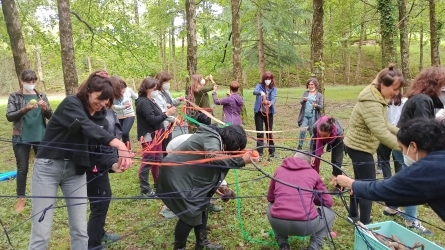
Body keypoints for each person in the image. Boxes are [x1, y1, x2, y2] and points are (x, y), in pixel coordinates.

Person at [29, 70, 132, 250]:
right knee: (42, 231)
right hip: (48, 168)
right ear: (88, 91)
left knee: (80, 230)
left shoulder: (101, 118)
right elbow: (86, 127)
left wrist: (113, 164)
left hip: (75, 171)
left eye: (106, 100)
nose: (102, 104)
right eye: (99, 98)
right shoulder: (71, 104)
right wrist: (120, 145)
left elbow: (97, 150)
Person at [156, 124, 259, 250]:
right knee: (190, 213)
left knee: (203, 205)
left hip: (189, 174)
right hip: (175, 174)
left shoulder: (216, 139)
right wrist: (241, 161)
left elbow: (211, 168)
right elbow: (214, 159)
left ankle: (202, 242)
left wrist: (215, 187)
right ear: (231, 143)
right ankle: (179, 248)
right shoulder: (212, 138)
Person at [335, 117, 445, 223]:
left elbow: (384, 190)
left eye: (402, 148)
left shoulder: (430, 168)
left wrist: (351, 183)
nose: (402, 153)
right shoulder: (438, 160)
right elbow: (412, 195)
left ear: (413, 146)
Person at [343, 64, 404, 225]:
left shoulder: (376, 95)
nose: (396, 93)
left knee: (359, 182)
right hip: (360, 147)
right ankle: (365, 226)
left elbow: (385, 124)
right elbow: (381, 132)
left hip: (356, 145)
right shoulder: (372, 102)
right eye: (395, 89)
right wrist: (407, 149)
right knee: (368, 188)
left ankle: (353, 214)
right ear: (384, 85)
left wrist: (403, 134)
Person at [388, 67, 445, 235]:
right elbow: (425, 131)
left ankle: (391, 207)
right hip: (409, 148)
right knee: (414, 181)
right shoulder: (423, 100)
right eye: (442, 85)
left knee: (403, 177)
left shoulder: (422, 98)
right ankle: (411, 220)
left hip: (405, 145)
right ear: (435, 84)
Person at [267, 152, 335, 250]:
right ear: (311, 161)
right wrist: (312, 198)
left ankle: (283, 244)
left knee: (270, 206)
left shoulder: (279, 170)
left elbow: (270, 198)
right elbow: (328, 202)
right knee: (330, 212)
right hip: (307, 225)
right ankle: (313, 247)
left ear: (293, 158)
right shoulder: (313, 173)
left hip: (278, 223)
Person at [86, 76, 125, 249]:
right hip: (92, 165)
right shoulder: (93, 114)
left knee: (103, 199)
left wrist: (113, 163)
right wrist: (111, 161)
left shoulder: (106, 112)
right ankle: (93, 244)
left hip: (102, 163)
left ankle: (99, 234)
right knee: (99, 203)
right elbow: (97, 147)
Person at [6, 69, 53, 213]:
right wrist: (25, 109)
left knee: (43, 167)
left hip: (40, 136)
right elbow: (10, 116)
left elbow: (51, 116)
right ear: (22, 81)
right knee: (23, 168)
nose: (31, 84)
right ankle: (21, 199)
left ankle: (43, 197)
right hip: (21, 136)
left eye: (33, 82)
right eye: (28, 82)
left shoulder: (41, 95)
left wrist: (45, 109)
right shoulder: (14, 96)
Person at [136, 77, 176, 196]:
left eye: (157, 89)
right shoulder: (143, 102)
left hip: (157, 135)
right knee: (148, 161)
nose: (156, 91)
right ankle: (145, 189)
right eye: (154, 89)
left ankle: (158, 183)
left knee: (157, 160)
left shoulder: (151, 100)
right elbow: (152, 120)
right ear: (147, 88)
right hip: (148, 137)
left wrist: (168, 116)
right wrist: (166, 114)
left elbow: (158, 115)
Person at [154, 71, 184, 157]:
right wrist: (174, 119)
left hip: (170, 121)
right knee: (163, 143)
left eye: (168, 82)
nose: (168, 84)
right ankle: (163, 161)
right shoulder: (156, 94)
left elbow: (172, 102)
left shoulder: (166, 91)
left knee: (168, 141)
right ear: (160, 82)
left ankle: (167, 158)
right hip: (164, 121)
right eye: (166, 82)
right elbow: (161, 110)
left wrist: (179, 99)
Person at [376, 93, 405, 179]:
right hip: (398, 133)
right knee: (398, 161)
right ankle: (398, 181)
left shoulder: (382, 102)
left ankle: (387, 181)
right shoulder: (405, 101)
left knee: (384, 160)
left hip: (385, 133)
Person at [309, 116, 344, 181]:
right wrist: (313, 154)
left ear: (331, 133)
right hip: (322, 134)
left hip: (336, 138)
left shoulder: (339, 133)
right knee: (315, 158)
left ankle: (338, 183)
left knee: (336, 160)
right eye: (320, 135)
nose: (321, 138)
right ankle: (314, 177)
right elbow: (314, 142)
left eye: (324, 136)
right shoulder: (315, 127)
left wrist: (335, 174)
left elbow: (338, 158)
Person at [253, 71, 277, 161]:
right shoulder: (259, 86)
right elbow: (254, 91)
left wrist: (270, 103)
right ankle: (260, 152)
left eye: (269, 79)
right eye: (266, 79)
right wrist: (260, 93)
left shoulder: (273, 88)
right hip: (259, 112)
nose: (268, 80)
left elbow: (274, 98)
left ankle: (272, 151)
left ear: (271, 79)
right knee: (259, 133)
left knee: (269, 132)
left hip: (269, 113)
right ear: (264, 79)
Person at [297, 78, 324, 150]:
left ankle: (312, 148)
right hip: (305, 116)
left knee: (312, 132)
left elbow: (321, 106)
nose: (310, 86)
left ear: (315, 85)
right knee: (302, 130)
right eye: (309, 84)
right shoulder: (305, 93)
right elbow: (301, 102)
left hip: (313, 116)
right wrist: (304, 100)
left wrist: (316, 106)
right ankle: (299, 147)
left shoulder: (319, 95)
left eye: (312, 84)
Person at [112, 78, 137, 149]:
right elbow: (113, 106)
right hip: (118, 116)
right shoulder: (111, 94)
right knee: (118, 135)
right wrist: (124, 107)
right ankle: (120, 151)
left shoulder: (128, 90)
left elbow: (136, 97)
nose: (123, 92)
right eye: (122, 92)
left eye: (124, 90)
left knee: (125, 133)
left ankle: (128, 151)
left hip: (129, 114)